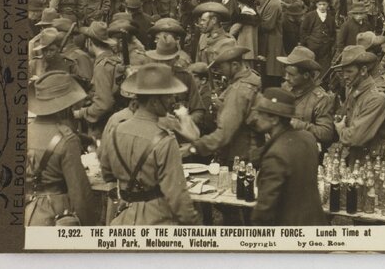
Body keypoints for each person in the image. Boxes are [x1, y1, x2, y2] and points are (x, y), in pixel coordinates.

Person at [98, 64, 200, 225]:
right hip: (157, 220)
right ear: (153, 101)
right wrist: (192, 225)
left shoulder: (116, 130)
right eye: (168, 97)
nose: (172, 101)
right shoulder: (165, 141)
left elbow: (106, 172)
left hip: (123, 217)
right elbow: (178, 197)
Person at [247, 89, 329, 226]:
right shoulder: (308, 138)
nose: (256, 118)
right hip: (316, 224)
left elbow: (264, 208)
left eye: (261, 113)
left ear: (274, 119)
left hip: (289, 232)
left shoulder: (276, 155)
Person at [27, 71, 96, 226]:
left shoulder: (25, 130)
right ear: (65, 106)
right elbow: (80, 195)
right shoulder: (66, 140)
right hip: (55, 214)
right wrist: (89, 224)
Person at [186, 45, 259, 165]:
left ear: (235, 65)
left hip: (239, 154)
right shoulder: (250, 79)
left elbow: (224, 133)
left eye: (221, 66)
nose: (219, 71)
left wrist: (193, 148)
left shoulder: (239, 90)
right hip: (247, 151)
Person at [334, 45, 385, 163]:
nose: (345, 76)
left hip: (374, 163)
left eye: (349, 71)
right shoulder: (353, 90)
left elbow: (355, 137)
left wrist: (341, 130)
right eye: (343, 72)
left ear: (363, 71)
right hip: (357, 157)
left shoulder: (376, 98)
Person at [277, 46, 336, 148]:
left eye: (291, 74)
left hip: (306, 151)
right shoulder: (286, 88)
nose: (286, 78)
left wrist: (297, 125)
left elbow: (326, 133)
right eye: (285, 73)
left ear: (306, 75)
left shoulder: (321, 99)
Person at [300, 0, 337, 69]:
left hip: (325, 49)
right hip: (312, 47)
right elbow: (303, 30)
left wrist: (330, 42)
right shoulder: (310, 16)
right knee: (311, 66)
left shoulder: (330, 17)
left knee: (325, 67)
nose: (322, 6)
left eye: (324, 4)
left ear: (328, 5)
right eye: (320, 4)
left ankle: (323, 80)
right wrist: (307, 41)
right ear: (316, 5)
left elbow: (333, 32)